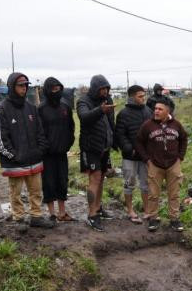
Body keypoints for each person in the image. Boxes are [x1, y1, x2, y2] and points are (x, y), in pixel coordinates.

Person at [0, 72, 54, 229]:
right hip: (15, 161)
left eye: (26, 85)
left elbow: (40, 132)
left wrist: (40, 150)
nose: (24, 88)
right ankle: (19, 217)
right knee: (16, 192)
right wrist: (14, 155)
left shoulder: (31, 108)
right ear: (11, 87)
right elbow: (1, 139)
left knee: (36, 191)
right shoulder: (1, 109)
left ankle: (36, 216)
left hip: (34, 159)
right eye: (21, 85)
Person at [136, 101, 188, 233]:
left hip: (173, 164)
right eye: (155, 109)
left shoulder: (176, 125)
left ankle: (174, 219)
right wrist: (147, 159)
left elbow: (184, 139)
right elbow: (139, 142)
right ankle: (153, 218)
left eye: (160, 109)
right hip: (155, 164)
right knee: (153, 194)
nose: (156, 111)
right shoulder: (148, 125)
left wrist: (180, 157)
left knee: (174, 193)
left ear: (167, 111)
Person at [77, 74, 116, 231]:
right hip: (90, 147)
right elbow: (84, 117)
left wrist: (115, 141)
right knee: (94, 178)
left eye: (107, 88)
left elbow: (111, 122)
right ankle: (92, 215)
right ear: (95, 88)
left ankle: (98, 208)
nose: (105, 92)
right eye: (102, 89)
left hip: (104, 147)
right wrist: (100, 110)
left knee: (102, 178)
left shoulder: (107, 100)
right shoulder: (83, 101)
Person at [38, 77, 76, 222]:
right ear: (48, 90)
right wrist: (44, 147)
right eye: (53, 89)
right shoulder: (41, 109)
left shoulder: (65, 106)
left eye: (58, 88)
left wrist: (68, 143)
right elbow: (39, 132)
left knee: (62, 181)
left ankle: (62, 212)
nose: (56, 91)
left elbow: (71, 127)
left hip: (62, 153)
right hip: (47, 154)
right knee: (48, 182)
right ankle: (52, 214)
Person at [115, 84, 152, 223]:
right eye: (140, 96)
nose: (144, 98)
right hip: (129, 156)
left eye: (144, 95)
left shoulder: (148, 111)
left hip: (145, 156)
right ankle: (130, 210)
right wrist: (129, 149)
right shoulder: (123, 113)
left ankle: (147, 211)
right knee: (129, 183)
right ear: (132, 97)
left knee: (146, 184)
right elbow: (120, 135)